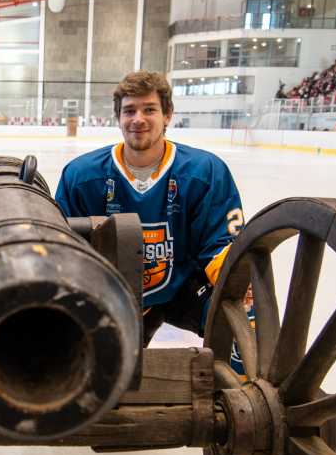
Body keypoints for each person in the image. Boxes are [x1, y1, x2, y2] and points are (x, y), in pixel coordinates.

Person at [53, 70, 244, 348]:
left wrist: (240, 289)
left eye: (149, 109)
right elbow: (64, 248)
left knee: (244, 316)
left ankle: (238, 389)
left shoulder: (205, 172)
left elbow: (222, 245)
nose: (138, 119)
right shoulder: (81, 176)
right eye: (129, 111)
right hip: (109, 293)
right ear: (118, 118)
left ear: (167, 115)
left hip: (182, 287)